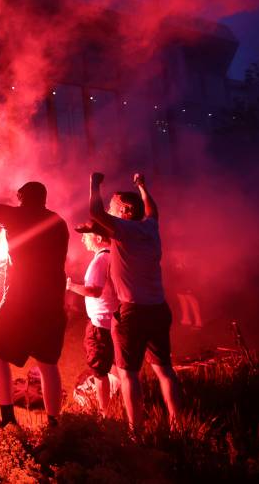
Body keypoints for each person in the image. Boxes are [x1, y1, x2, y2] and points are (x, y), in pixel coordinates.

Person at [0, 182, 68, 428]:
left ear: (21, 198)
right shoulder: (59, 222)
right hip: (51, 302)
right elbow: (41, 257)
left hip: (20, 302)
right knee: (48, 364)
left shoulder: (17, 216)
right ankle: (54, 424)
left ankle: (8, 418)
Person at [87, 172, 183, 433]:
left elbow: (96, 212)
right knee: (164, 370)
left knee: (128, 374)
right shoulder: (150, 227)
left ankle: (135, 432)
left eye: (114, 207)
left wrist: (95, 184)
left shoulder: (124, 229)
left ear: (125, 211)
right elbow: (152, 209)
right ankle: (177, 425)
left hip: (133, 312)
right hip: (158, 308)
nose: (109, 209)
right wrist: (142, 186)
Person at [66, 231, 118, 417]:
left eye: (86, 235)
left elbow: (94, 291)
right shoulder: (114, 255)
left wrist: (71, 286)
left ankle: (106, 414)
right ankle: (120, 402)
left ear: (97, 237)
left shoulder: (100, 260)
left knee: (99, 370)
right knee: (115, 363)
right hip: (113, 320)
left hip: (101, 322)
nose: (82, 239)